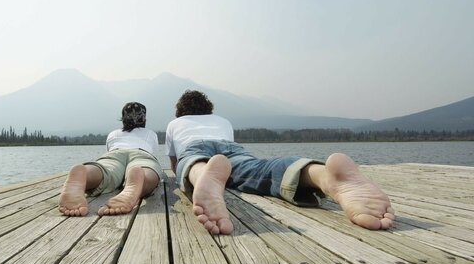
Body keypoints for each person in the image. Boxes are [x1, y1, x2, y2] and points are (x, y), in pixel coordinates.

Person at [165, 90, 396, 235]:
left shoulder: (175, 124)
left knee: (193, 163)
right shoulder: (222, 121)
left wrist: (185, 172)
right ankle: (321, 175)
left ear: (180, 111)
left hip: (195, 148)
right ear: (208, 109)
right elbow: (226, 162)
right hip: (231, 149)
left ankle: (202, 175)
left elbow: (175, 164)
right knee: (258, 169)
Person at [59, 102, 163, 216]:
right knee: (145, 168)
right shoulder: (150, 134)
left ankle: (85, 174)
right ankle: (139, 178)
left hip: (115, 153)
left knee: (106, 170)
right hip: (141, 153)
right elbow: (154, 157)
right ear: (144, 119)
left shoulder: (113, 134)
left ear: (123, 119)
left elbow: (109, 151)